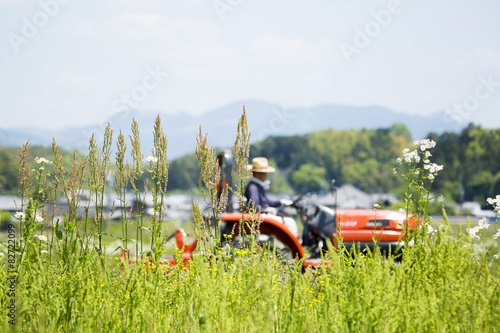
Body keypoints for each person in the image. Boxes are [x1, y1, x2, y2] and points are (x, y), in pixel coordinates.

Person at [244, 157, 299, 238]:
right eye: (264, 173)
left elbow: (267, 202)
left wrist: (280, 202)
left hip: (263, 214)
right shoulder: (253, 187)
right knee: (290, 222)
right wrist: (266, 210)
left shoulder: (258, 186)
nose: (266, 175)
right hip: (260, 216)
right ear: (258, 174)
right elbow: (253, 206)